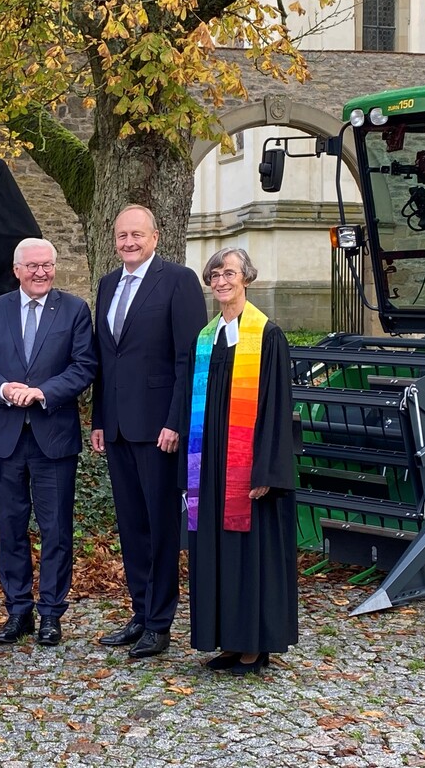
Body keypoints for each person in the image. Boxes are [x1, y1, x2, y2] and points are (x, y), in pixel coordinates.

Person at [0, 238, 97, 647]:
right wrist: (5, 388)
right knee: (10, 527)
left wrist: (42, 392)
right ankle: (17, 609)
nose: (41, 272)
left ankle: (52, 614)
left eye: (47, 265)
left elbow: (84, 366)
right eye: (33, 265)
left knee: (56, 528)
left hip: (53, 436)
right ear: (17, 269)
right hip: (5, 437)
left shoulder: (74, 310)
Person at [91, 204, 207, 658]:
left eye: (137, 234)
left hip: (159, 427)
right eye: (122, 235)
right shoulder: (107, 285)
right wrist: (100, 418)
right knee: (132, 526)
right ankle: (139, 611)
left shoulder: (177, 281)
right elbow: (105, 360)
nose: (129, 242)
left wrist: (175, 421)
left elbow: (189, 359)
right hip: (118, 426)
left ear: (156, 237)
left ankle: (160, 622)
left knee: (160, 528)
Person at [185, 248, 297, 675]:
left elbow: (275, 408)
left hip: (247, 469)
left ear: (246, 277)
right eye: (214, 274)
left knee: (251, 554)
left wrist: (265, 469)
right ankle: (228, 640)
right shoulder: (207, 337)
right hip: (211, 468)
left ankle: (255, 645)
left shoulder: (267, 335)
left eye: (228, 272)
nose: (220, 281)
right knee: (217, 552)